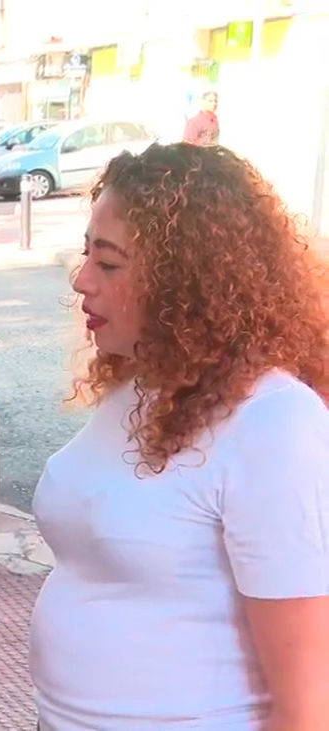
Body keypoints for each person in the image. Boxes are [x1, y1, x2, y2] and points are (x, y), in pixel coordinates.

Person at [29, 143, 329, 729]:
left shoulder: (274, 422)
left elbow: (306, 696)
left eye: (109, 264)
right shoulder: (139, 384)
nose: (81, 280)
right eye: (87, 254)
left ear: (187, 280)